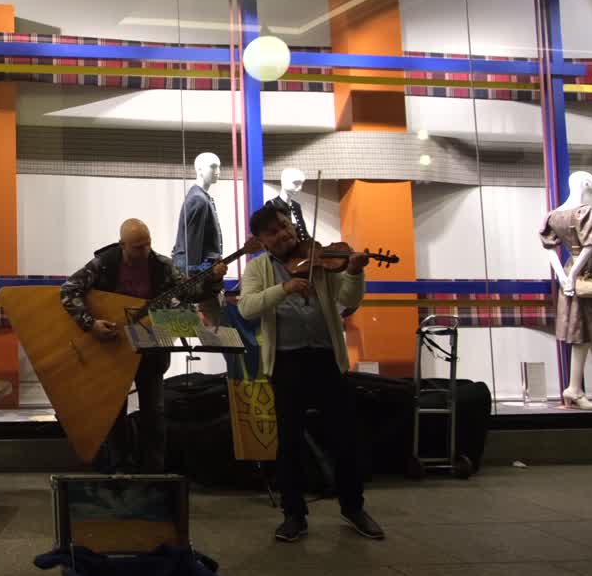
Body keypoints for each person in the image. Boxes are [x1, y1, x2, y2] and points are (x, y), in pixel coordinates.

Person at [237, 205, 384, 543]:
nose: (283, 234)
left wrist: (354, 272)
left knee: (345, 437)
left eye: (284, 225)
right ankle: (294, 515)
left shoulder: (321, 259)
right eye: (273, 232)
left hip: (327, 358)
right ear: (261, 241)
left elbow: (348, 300)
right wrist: (285, 289)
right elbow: (247, 308)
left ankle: (353, 507)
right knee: (288, 442)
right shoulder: (258, 268)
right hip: (286, 362)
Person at [60, 218, 225, 473]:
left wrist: (213, 279)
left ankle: (154, 472)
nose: (145, 251)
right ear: (122, 245)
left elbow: (189, 293)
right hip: (114, 347)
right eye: (138, 247)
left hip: (151, 347)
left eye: (148, 244)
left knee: (154, 411)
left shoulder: (162, 266)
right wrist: (90, 324)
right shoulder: (104, 264)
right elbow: (69, 290)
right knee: (115, 410)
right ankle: (120, 469)